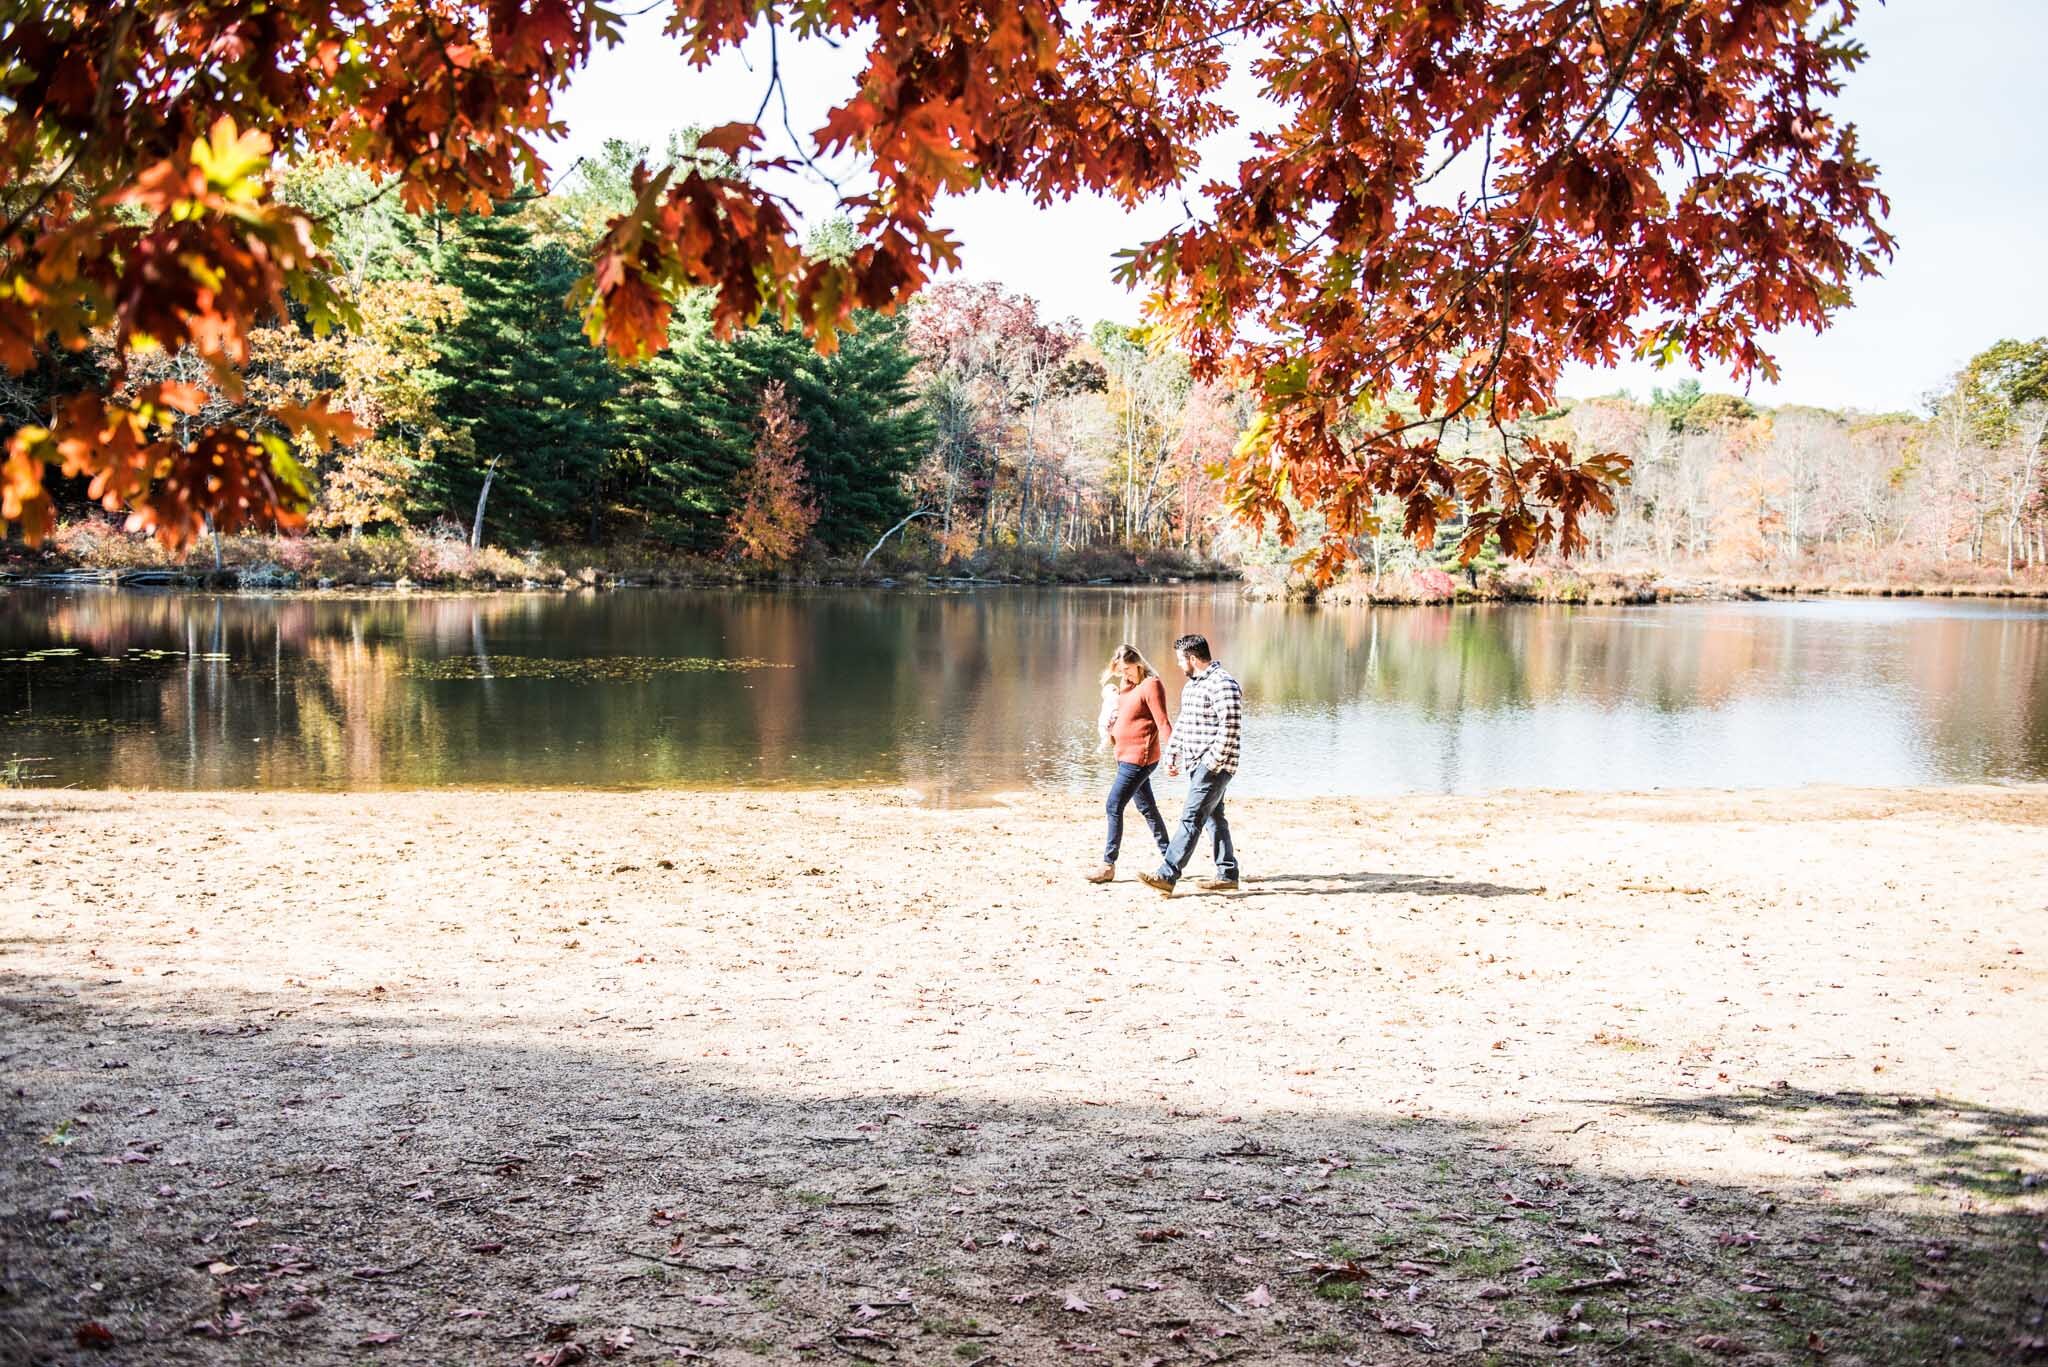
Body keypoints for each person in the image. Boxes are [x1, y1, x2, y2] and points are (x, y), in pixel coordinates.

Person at [1140, 633, 1242, 896]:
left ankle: (1167, 874)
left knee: (1191, 818)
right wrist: (1172, 754)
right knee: (1214, 818)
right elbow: (1184, 724)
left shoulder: (1223, 684)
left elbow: (1230, 728)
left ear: (1193, 659)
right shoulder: (1193, 686)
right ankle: (1228, 873)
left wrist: (1212, 763)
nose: (1178, 665)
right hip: (1196, 763)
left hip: (1214, 766)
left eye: (1180, 660)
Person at [1085, 644, 1173, 884]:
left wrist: (1174, 754)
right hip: (1125, 757)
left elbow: (1163, 723)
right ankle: (1171, 857)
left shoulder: (1151, 685)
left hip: (1139, 759)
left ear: (1139, 663)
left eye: (1128, 669)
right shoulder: (1127, 686)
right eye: (1120, 671)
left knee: (1113, 805)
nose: (1125, 674)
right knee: (1148, 809)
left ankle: (1108, 865)